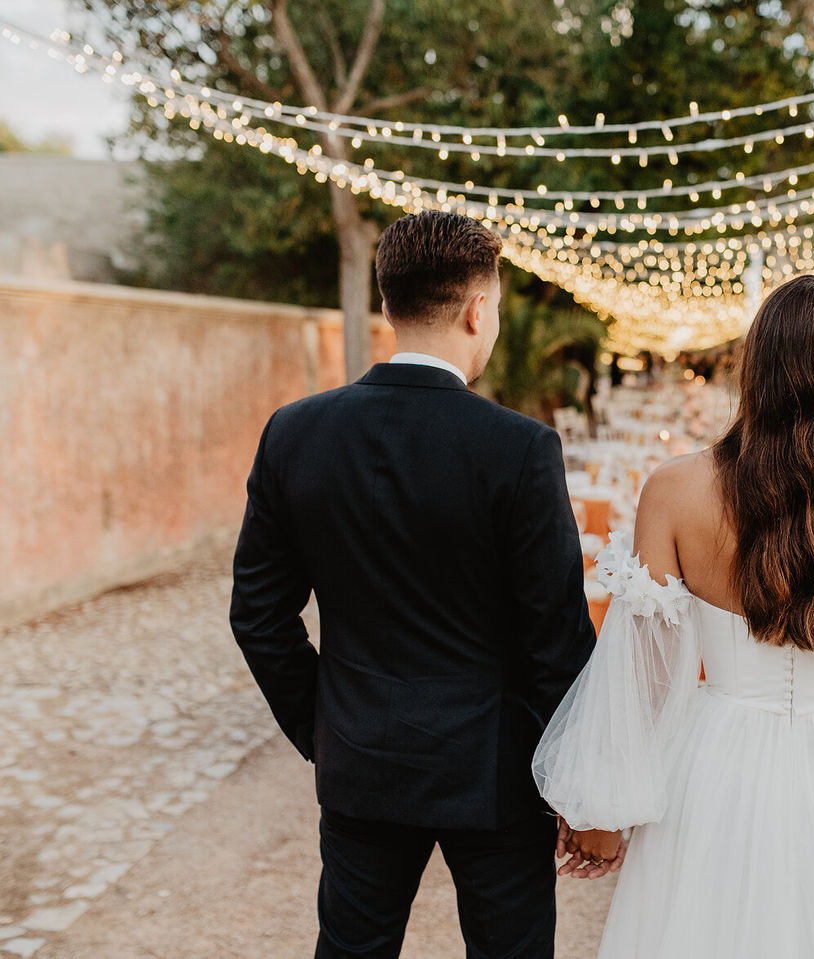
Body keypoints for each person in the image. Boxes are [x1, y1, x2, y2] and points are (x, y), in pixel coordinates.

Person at [533, 275, 814, 958]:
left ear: (755, 368)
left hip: (718, 761)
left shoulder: (674, 490)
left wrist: (600, 810)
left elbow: (645, 673)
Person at [230, 211, 595, 959]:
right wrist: (579, 780)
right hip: (498, 772)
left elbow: (260, 614)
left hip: (362, 760)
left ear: (389, 303)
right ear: (477, 309)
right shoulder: (520, 449)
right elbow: (556, 640)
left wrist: (327, 724)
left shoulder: (294, 432)